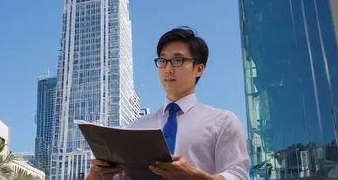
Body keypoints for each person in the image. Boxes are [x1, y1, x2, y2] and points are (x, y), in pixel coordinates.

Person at [86, 27, 249, 180]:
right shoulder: (136, 128)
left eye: (178, 60)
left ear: (199, 69)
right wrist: (95, 175)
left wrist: (196, 177)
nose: (168, 69)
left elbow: (238, 175)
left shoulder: (223, 122)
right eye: (163, 60)